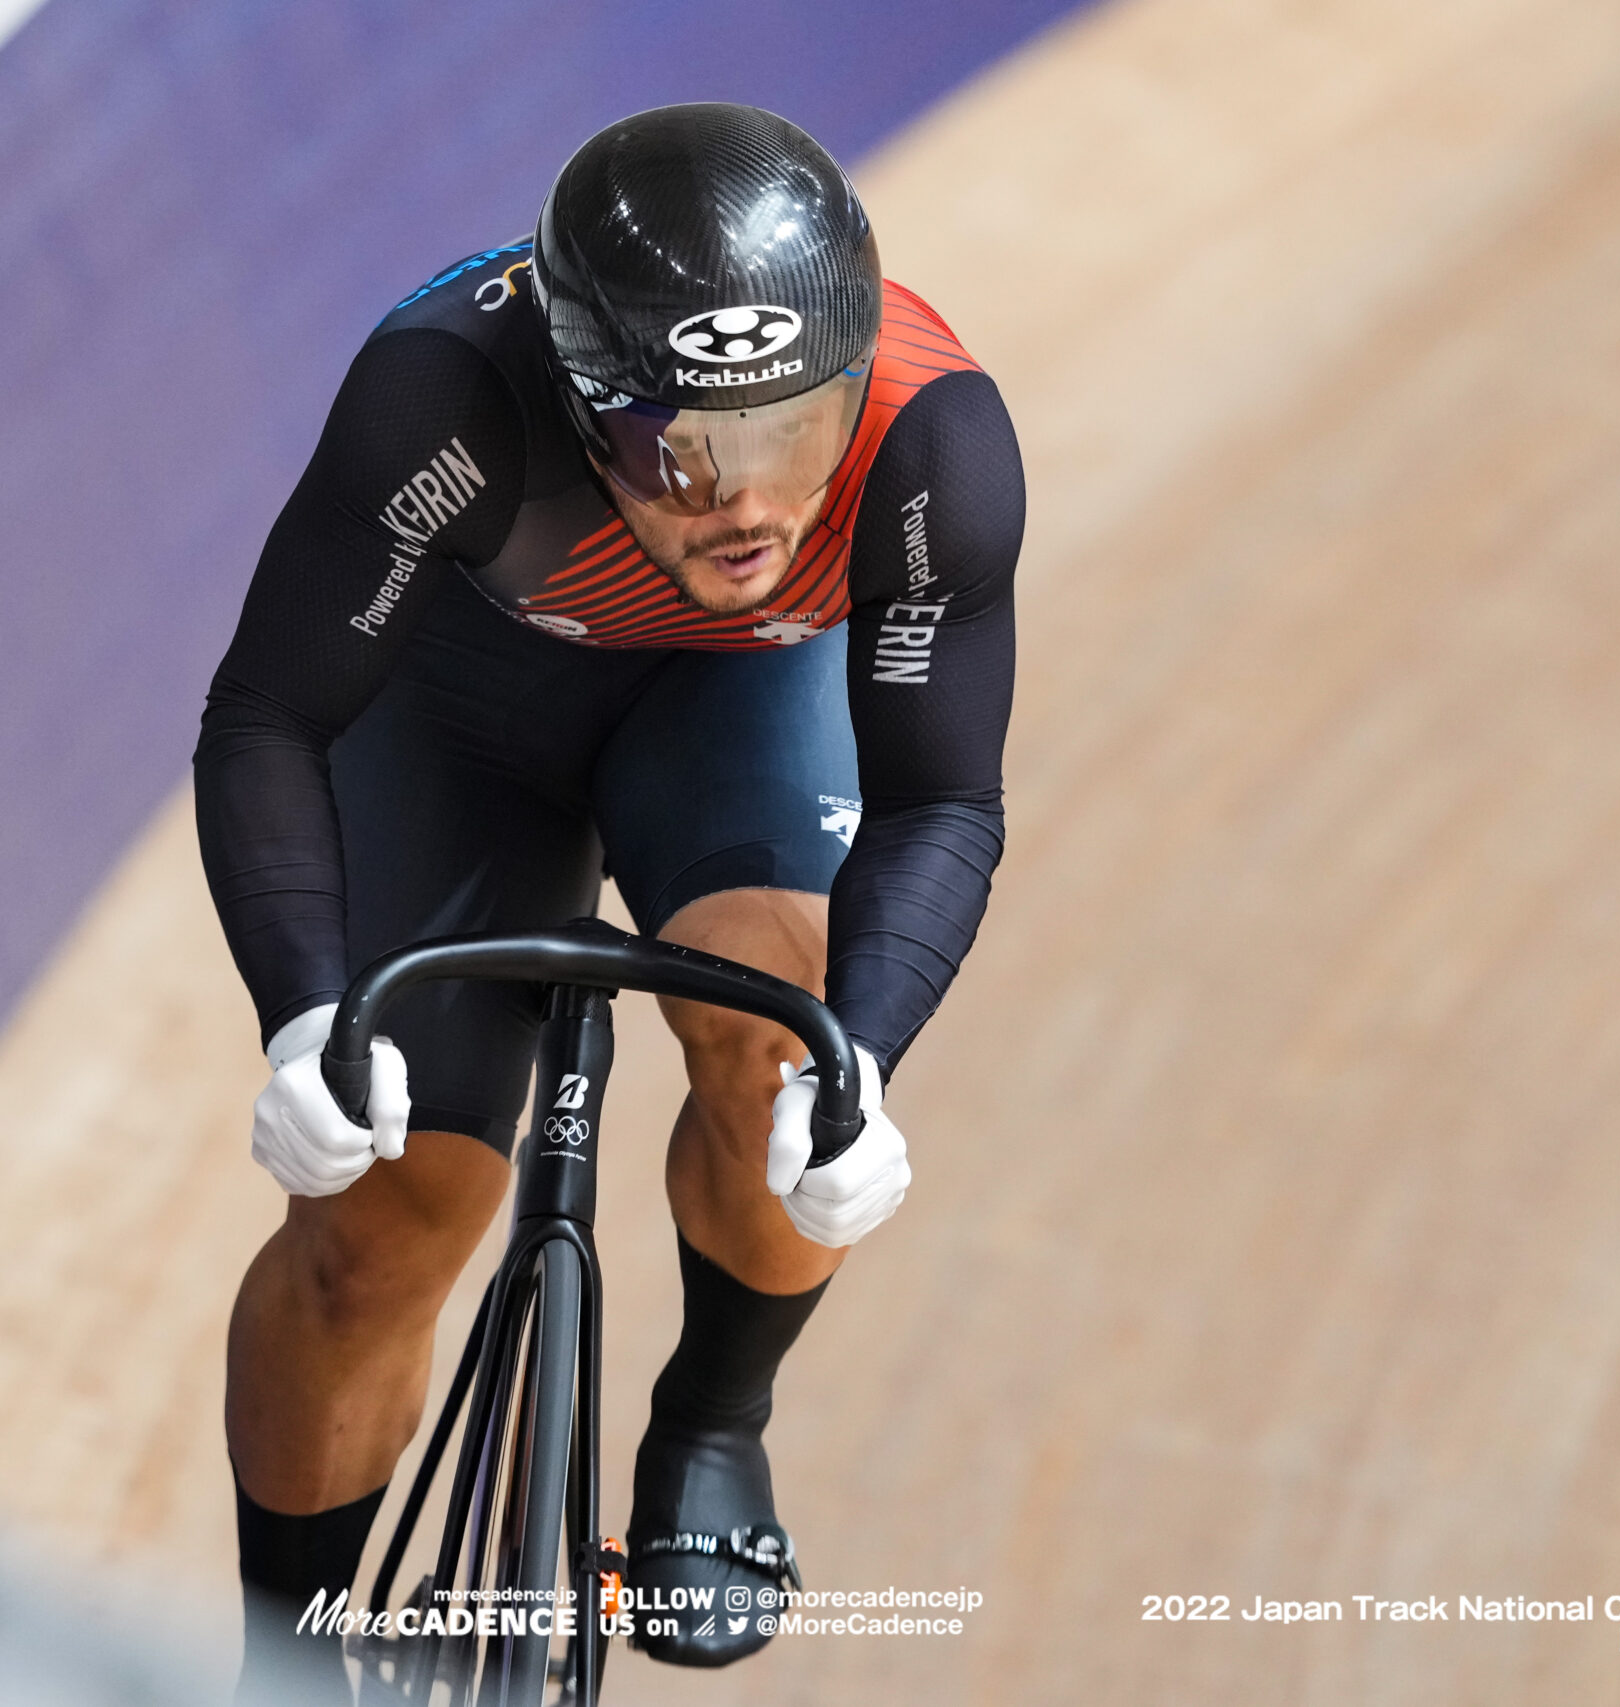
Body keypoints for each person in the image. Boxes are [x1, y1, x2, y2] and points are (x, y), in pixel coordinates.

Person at [195, 101, 1021, 1700]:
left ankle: (716, 1416)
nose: (752, 507)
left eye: (798, 432)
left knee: (782, 1068)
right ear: (579, 412)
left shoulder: (938, 444)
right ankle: (277, 1661)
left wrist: (867, 1058)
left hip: (735, 713)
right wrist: (303, 1013)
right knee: (381, 1220)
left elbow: (943, 801)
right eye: (687, 451)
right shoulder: (442, 396)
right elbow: (268, 722)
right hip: (457, 714)